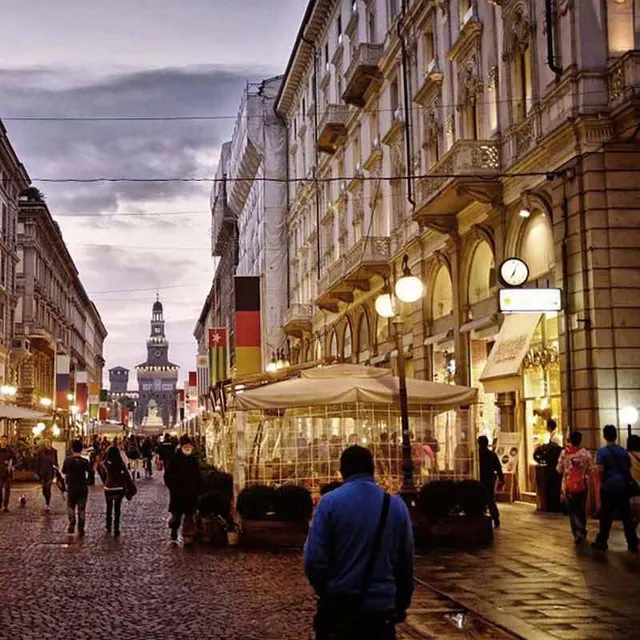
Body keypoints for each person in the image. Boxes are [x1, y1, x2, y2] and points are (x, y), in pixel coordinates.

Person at [304, 445, 414, 640]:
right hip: (381, 610)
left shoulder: (329, 503)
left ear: (342, 471)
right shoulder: (396, 506)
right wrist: (400, 603)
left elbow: (313, 560)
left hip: (340, 608)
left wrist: (328, 590)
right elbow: (405, 563)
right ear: (372, 469)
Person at [592, 425, 638, 552]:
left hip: (608, 487)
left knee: (606, 516)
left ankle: (602, 541)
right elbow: (628, 469)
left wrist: (600, 483)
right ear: (616, 435)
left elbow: (600, 470)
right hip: (622, 487)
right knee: (626, 517)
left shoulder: (602, 452)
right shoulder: (623, 452)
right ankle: (632, 542)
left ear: (604, 436)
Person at [556, 431, 593, 543]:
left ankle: (577, 531)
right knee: (581, 508)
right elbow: (590, 469)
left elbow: (559, 468)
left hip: (569, 484)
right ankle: (582, 528)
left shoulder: (565, 453)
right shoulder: (585, 453)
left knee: (572, 510)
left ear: (570, 440)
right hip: (582, 484)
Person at [164, 435, 201, 544]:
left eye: (190, 446)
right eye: (186, 446)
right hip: (178, 493)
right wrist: (173, 486)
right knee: (176, 515)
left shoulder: (193, 459)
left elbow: (197, 475)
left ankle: (188, 536)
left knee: (189, 515)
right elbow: (167, 476)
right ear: (181, 446)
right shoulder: (174, 458)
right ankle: (174, 529)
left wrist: (198, 487)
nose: (188, 448)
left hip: (190, 492)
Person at [61, 439, 93, 536]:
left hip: (71, 487)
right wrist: (87, 482)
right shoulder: (85, 461)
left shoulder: (68, 460)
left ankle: (72, 522)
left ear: (72, 449)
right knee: (81, 508)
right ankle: (81, 527)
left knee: (70, 506)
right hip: (82, 488)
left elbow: (64, 472)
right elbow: (91, 474)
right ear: (81, 449)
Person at [103, 445, 131, 536]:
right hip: (118, 488)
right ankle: (116, 527)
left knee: (109, 507)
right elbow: (126, 475)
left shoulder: (107, 463)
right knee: (117, 509)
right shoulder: (120, 463)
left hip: (108, 487)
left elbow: (103, 468)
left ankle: (108, 525)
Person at [477, 436, 504, 529]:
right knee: (490, 500)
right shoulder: (492, 454)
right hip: (489, 480)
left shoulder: (477, 455)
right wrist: (501, 478)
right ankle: (495, 518)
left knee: (479, 499)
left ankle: (481, 516)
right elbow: (498, 467)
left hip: (479, 480)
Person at [36, 437, 59, 512]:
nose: (47, 443)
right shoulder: (40, 451)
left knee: (48, 488)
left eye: (48, 442)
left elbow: (56, 462)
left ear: (51, 442)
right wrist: (36, 472)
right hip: (42, 473)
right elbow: (38, 462)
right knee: (44, 489)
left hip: (50, 473)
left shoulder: (54, 451)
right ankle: (46, 500)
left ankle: (47, 504)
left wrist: (56, 471)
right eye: (46, 442)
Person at [0, 435, 16, 512]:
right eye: (2, 440)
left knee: (7, 489)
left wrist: (11, 465)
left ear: (7, 441)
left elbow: (15, 460)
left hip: (7, 473)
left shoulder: (10, 450)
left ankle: (5, 506)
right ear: (0, 441)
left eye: (5, 440)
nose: (4, 441)